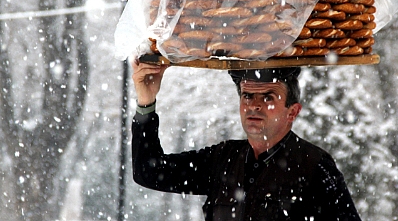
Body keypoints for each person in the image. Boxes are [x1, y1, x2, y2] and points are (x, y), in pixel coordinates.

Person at [131, 60, 362, 221]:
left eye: (268, 97)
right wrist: (146, 101)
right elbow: (148, 171)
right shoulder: (223, 159)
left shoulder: (314, 166)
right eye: (247, 95)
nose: (254, 105)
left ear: (292, 112)